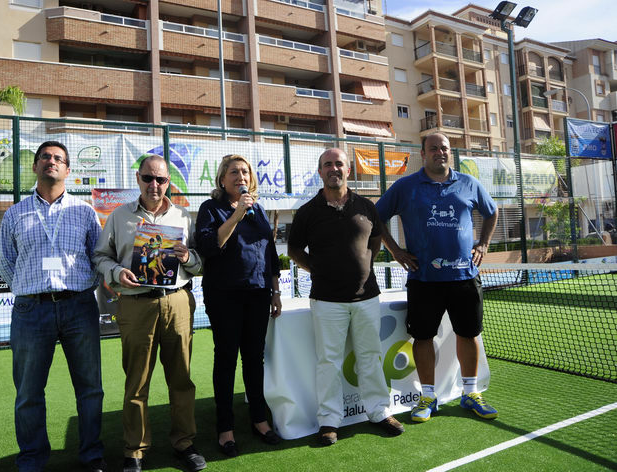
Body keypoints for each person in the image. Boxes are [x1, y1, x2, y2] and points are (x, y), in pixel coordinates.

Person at [0, 141, 106, 472]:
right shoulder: (15, 213)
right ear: (35, 167)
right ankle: (32, 459)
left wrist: (83, 288)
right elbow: (5, 262)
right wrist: (29, 290)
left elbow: (97, 257)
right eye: (45, 156)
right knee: (29, 392)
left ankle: (92, 455)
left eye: (59, 158)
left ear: (68, 170)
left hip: (79, 307)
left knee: (90, 389)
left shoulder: (85, 212)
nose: (51, 161)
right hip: (31, 311)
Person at [375, 132, 499, 423]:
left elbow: (491, 212)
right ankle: (428, 396)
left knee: (468, 334)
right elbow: (376, 217)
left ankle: (471, 393)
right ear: (423, 153)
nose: (439, 152)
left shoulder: (469, 183)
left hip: (464, 277)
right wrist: (396, 251)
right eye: (433, 148)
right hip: (423, 280)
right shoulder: (405, 187)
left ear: (449, 152)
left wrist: (483, 244)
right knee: (423, 337)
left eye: (444, 148)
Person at [93, 155, 205, 472]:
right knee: (137, 381)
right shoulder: (119, 216)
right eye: (148, 178)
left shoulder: (183, 216)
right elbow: (100, 256)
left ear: (168, 182)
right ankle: (135, 450)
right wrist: (116, 272)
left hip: (177, 302)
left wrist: (188, 257)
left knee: (181, 378)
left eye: (161, 179)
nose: (154, 185)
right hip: (136, 304)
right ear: (138, 179)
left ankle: (184, 443)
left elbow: (200, 263)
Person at [287, 148, 404, 446]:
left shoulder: (366, 206)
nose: (333, 168)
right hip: (326, 300)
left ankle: (378, 411)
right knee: (329, 362)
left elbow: (375, 241)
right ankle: (329, 420)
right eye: (327, 164)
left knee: (370, 357)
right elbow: (294, 251)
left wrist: (362, 266)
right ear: (320, 172)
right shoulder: (307, 211)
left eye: (338, 163)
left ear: (348, 170)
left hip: (366, 298)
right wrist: (318, 269)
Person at [195, 154, 282, 457]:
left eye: (245, 172)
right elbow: (210, 246)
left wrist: (275, 290)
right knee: (226, 359)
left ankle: (259, 419)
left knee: (254, 359)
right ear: (222, 179)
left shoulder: (258, 209)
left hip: (257, 293)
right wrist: (236, 215)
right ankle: (225, 427)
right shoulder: (210, 209)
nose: (240, 177)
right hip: (224, 295)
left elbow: (269, 252)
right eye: (233, 172)